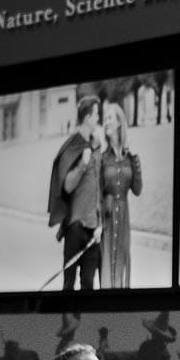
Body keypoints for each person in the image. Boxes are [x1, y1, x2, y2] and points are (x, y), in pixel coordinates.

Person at [48, 96, 104, 291]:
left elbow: (98, 186)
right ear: (88, 117)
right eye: (96, 114)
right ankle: (67, 322)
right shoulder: (73, 145)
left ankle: (83, 322)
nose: (98, 118)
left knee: (88, 284)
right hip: (75, 227)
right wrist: (82, 165)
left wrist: (100, 223)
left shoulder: (97, 144)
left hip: (93, 229)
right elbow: (67, 187)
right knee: (69, 284)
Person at [98, 102, 143, 290]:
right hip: (107, 218)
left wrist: (136, 165)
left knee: (122, 264)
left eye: (109, 118)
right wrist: (103, 204)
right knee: (107, 266)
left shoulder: (129, 157)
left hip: (124, 217)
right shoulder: (102, 158)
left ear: (119, 123)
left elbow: (137, 189)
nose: (106, 122)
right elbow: (97, 192)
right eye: (105, 119)